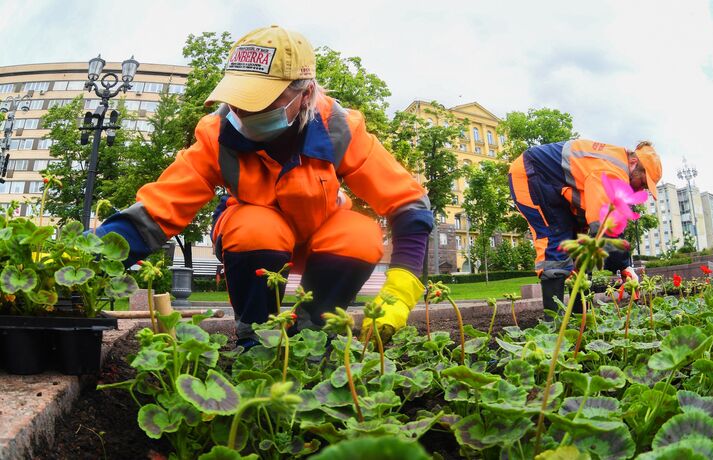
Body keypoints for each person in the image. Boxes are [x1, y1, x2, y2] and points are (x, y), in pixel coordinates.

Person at [95, 25, 433, 347]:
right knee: (256, 227)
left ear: (306, 93)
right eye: (239, 98)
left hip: (322, 236)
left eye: (262, 100)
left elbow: (409, 205)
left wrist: (400, 290)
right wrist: (87, 260)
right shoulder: (217, 134)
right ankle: (255, 337)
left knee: (361, 234)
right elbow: (157, 211)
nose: (243, 111)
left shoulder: (337, 128)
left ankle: (314, 333)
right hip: (256, 241)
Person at [508, 139, 662, 312]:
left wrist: (621, 263)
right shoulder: (612, 170)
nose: (640, 190)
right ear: (633, 163)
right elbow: (605, 228)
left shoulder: (614, 163)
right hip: (531, 174)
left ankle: (580, 318)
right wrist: (624, 265)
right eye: (642, 183)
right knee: (556, 242)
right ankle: (552, 327)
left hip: (556, 188)